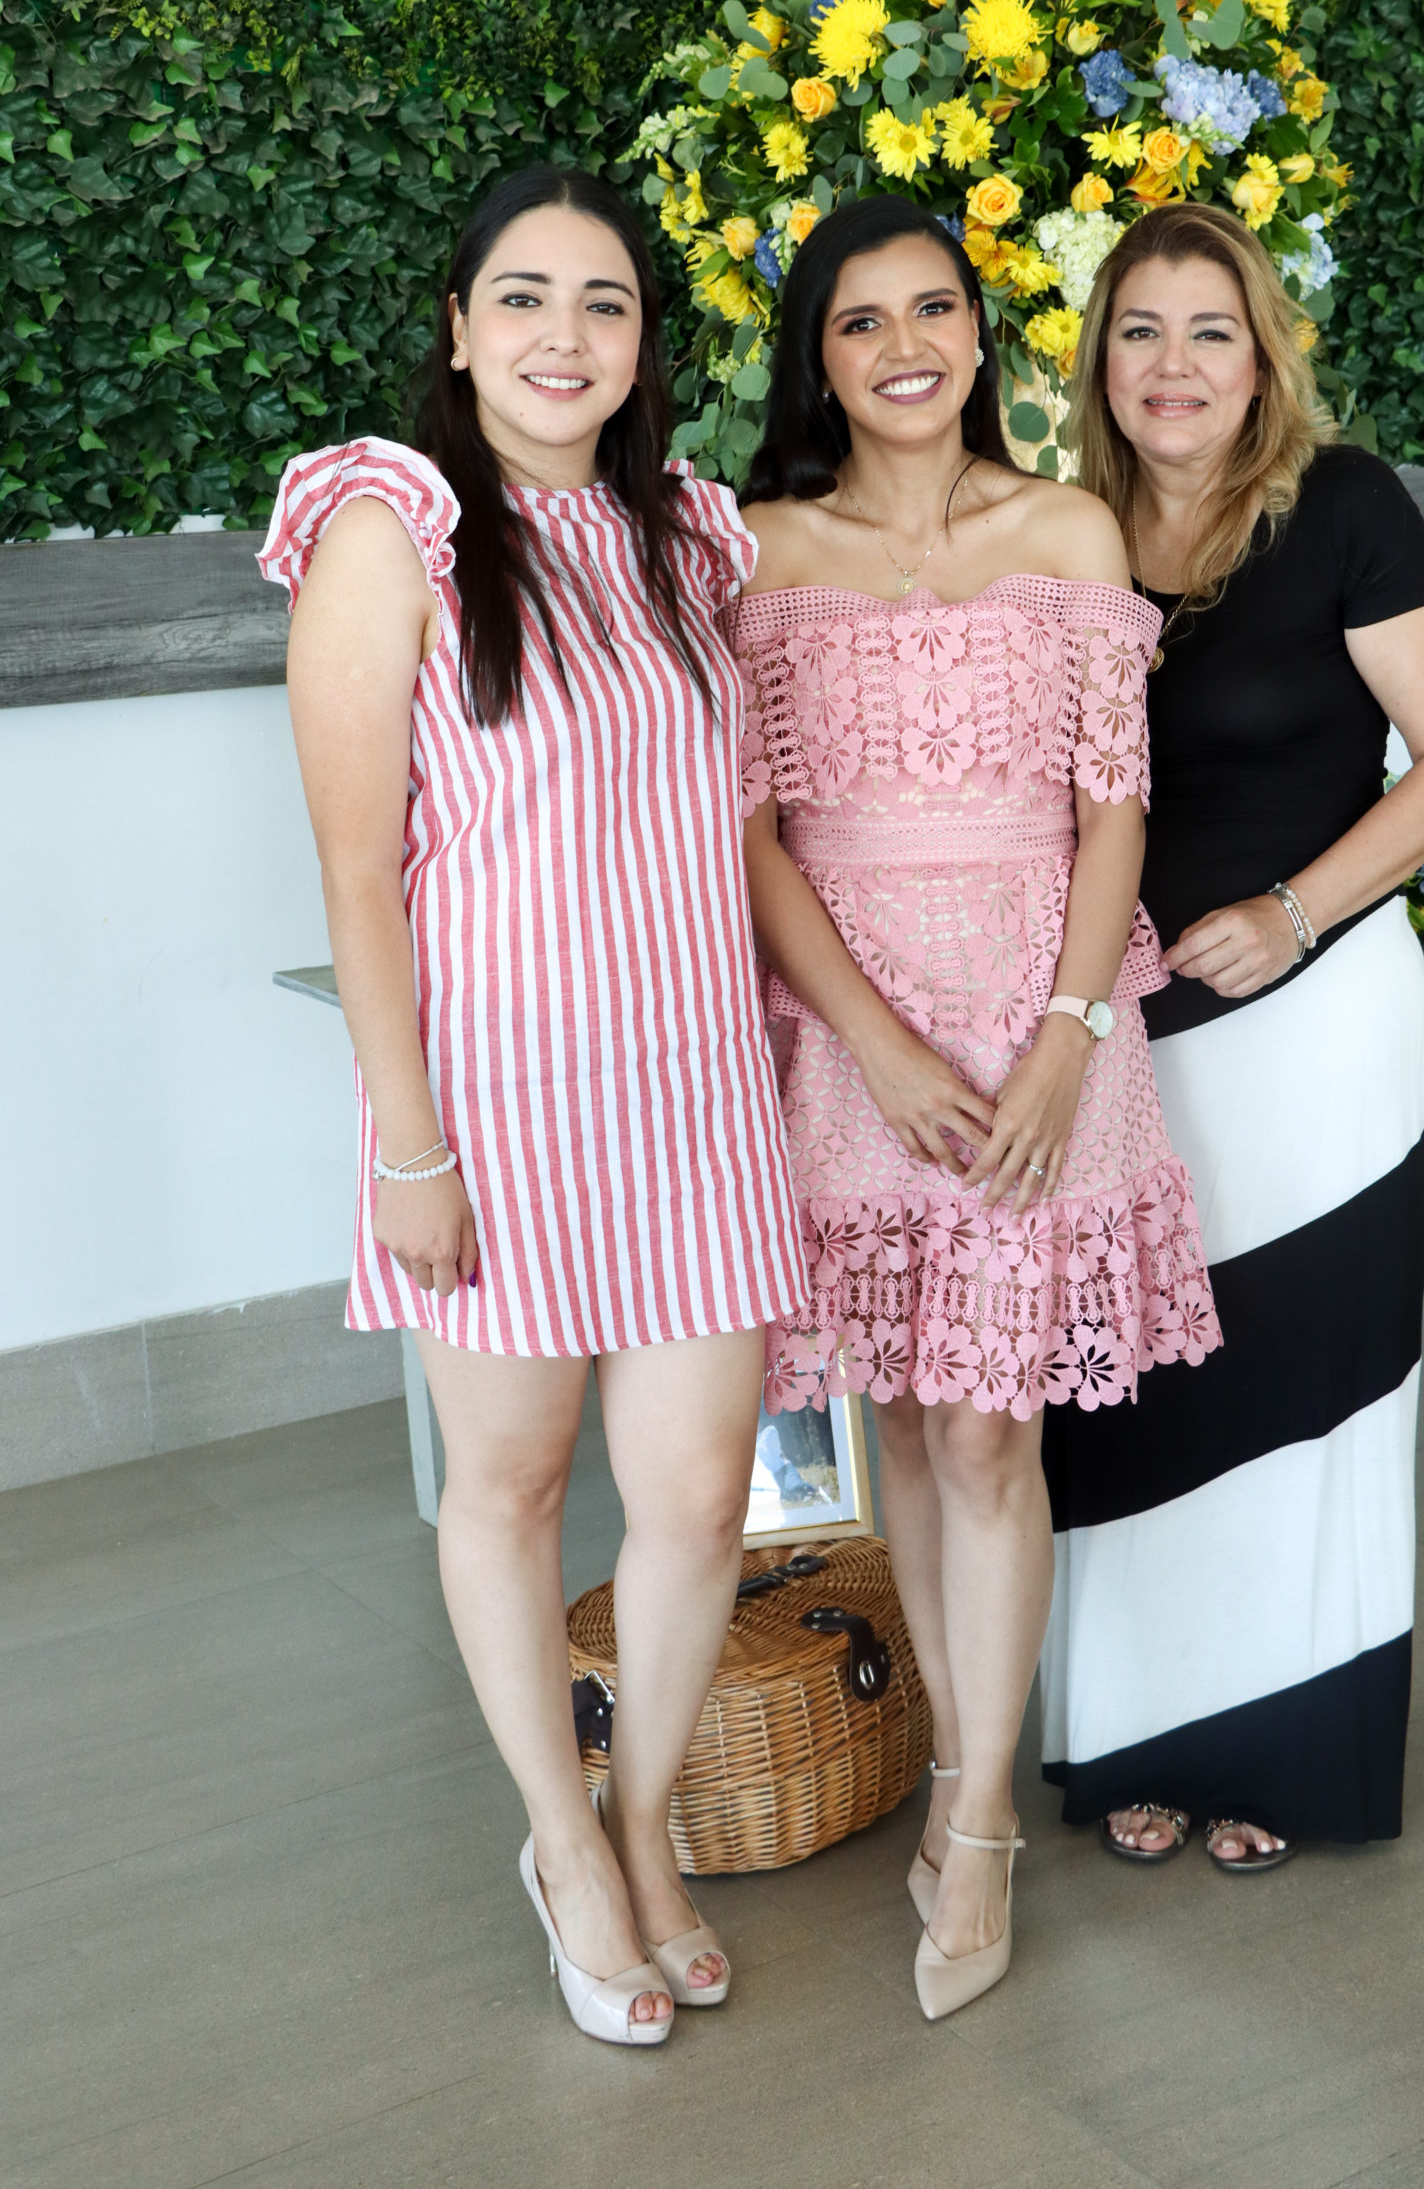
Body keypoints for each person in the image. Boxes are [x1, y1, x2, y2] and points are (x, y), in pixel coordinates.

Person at [260, 166, 807, 2046]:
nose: (563, 337)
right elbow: (354, 876)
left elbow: (730, 831)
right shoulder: (389, 530)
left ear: (645, 342)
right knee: (509, 1487)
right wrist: (407, 1145)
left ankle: (641, 1831)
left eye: (603, 303)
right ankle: (563, 1851)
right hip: (486, 1112)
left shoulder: (686, 543)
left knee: (698, 1497)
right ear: (459, 324)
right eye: (523, 296)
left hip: (695, 1091)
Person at [724, 195, 1220, 2017]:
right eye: (865, 322)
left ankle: (984, 1817)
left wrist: (1073, 1032)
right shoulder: (761, 552)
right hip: (862, 1033)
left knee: (996, 1435)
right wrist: (869, 1041)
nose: (908, 345)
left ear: (980, 338)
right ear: (821, 356)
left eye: (937, 309)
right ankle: (953, 1770)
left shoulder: (1069, 524)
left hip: (1042, 1014)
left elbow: (1115, 808)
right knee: (915, 1425)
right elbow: (753, 833)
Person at [1039, 201, 1424, 1873]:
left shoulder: (1346, 508)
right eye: (1142, 331)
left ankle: (1291, 1760)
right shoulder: (1061, 527)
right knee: (1135, 1396)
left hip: (1317, 1028)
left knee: (1308, 1393)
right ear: (1099, 357)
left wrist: (1296, 913)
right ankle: (1137, 1747)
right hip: (1116, 1036)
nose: (1174, 366)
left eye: (1210, 332)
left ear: (1262, 359)